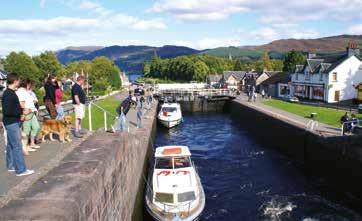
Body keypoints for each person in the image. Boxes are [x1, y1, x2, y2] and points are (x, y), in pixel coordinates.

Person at [2, 73, 34, 176]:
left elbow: (12, 108)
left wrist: (21, 111)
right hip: (11, 123)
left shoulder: (10, 92)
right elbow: (7, 111)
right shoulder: (8, 94)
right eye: (18, 80)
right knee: (17, 146)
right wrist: (22, 112)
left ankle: (11, 166)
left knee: (11, 145)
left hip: (12, 122)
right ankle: (21, 170)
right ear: (15, 81)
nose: (19, 82)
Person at [17, 79, 41, 153]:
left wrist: (33, 110)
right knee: (26, 131)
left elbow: (30, 101)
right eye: (30, 85)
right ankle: (25, 146)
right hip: (27, 113)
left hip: (31, 112)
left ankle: (31, 143)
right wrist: (24, 112)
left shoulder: (25, 91)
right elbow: (22, 103)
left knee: (36, 127)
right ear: (27, 84)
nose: (31, 86)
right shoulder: (21, 91)